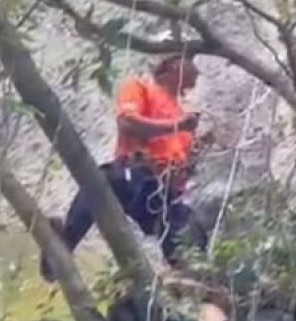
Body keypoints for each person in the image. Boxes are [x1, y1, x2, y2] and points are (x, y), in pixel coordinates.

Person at [41, 54, 205, 282]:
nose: (197, 71)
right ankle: (60, 251)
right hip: (136, 176)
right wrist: (177, 126)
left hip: (164, 191)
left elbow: (183, 168)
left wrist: (195, 155)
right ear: (173, 65)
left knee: (190, 225)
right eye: (191, 64)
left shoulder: (184, 117)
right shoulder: (140, 88)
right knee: (103, 180)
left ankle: (189, 283)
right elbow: (127, 123)